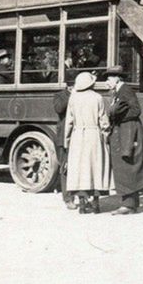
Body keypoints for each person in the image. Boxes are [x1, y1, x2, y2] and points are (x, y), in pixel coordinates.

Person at [105, 66, 143, 215]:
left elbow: (136, 110)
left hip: (127, 132)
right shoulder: (120, 91)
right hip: (124, 132)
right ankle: (130, 203)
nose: (107, 82)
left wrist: (117, 114)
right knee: (126, 166)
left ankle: (128, 204)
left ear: (117, 78)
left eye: (109, 78)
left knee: (126, 165)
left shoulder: (125, 90)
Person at [64, 72, 112, 213]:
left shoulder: (73, 99)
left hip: (78, 135)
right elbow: (103, 120)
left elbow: (69, 121)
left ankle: (82, 203)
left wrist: (67, 141)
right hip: (94, 135)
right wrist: (106, 134)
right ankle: (96, 202)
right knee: (95, 168)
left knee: (80, 169)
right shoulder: (98, 98)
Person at [53, 71, 77, 210]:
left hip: (78, 135)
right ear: (69, 86)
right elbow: (59, 108)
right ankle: (68, 198)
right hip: (64, 136)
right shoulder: (60, 96)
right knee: (65, 167)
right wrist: (71, 96)